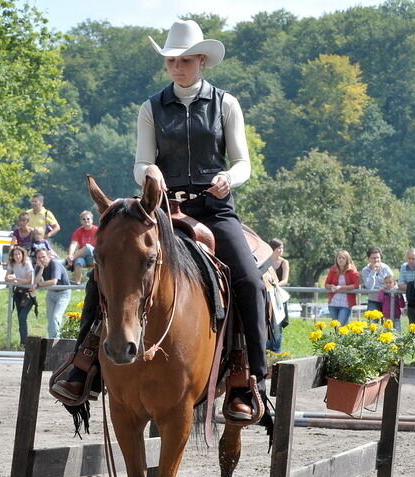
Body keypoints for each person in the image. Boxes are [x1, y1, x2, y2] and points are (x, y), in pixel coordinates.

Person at [53, 19, 265, 421]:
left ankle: (249, 378)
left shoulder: (226, 104)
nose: (177, 66)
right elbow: (141, 161)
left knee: (250, 281)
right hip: (160, 209)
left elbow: (242, 162)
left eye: (185, 60)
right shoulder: (151, 107)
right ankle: (84, 363)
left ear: (202, 61)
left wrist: (228, 178)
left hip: (214, 208)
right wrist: (150, 174)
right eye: (171, 60)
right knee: (109, 270)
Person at [261, 238, 290, 352]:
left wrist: (275, 285)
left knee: (277, 324)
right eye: (279, 248)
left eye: (282, 248)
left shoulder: (284, 262)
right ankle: (267, 348)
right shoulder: (266, 261)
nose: (281, 250)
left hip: (278, 295)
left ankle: (277, 349)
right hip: (267, 295)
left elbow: (285, 280)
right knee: (267, 322)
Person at [35, 249, 71, 338]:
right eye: (39, 258)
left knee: (56, 318)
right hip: (51, 293)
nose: (41, 259)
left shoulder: (55, 264)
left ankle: (55, 342)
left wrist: (38, 284)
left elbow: (53, 281)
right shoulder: (39, 266)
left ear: (48, 257)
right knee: (50, 319)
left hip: (63, 293)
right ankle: (52, 341)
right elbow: (35, 281)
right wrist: (41, 269)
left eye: (43, 257)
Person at [5, 245, 36, 346]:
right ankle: (23, 342)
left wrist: (15, 279)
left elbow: (29, 280)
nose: (17, 256)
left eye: (19, 254)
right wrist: (11, 278)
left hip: (28, 293)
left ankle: (25, 342)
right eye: (15, 254)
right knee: (20, 318)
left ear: (23, 255)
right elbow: (6, 277)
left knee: (23, 316)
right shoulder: (12, 264)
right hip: (18, 293)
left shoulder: (27, 263)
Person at [324, 249, 360, 326]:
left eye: (343, 258)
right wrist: (332, 286)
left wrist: (341, 287)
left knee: (340, 325)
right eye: (339, 258)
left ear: (347, 260)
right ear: (336, 259)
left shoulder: (352, 271)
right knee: (335, 326)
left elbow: (356, 285)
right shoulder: (333, 270)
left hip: (346, 303)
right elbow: (326, 284)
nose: (341, 260)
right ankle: (338, 338)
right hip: (333, 302)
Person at [66, 210, 98, 285]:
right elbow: (74, 244)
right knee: (78, 262)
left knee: (88, 247)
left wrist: (72, 257)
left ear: (92, 220)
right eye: (84, 219)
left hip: (94, 257)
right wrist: (70, 254)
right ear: (81, 221)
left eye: (88, 219)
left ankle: (69, 261)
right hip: (83, 257)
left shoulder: (97, 231)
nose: (86, 220)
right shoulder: (78, 232)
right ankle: (78, 284)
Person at [360, 247, 393, 312]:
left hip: (386, 299)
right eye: (373, 258)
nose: (376, 260)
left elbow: (392, 282)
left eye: (378, 257)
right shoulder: (365, 271)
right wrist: (373, 272)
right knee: (373, 320)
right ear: (368, 259)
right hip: (373, 301)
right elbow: (369, 287)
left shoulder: (385, 268)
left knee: (387, 321)